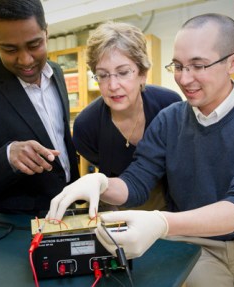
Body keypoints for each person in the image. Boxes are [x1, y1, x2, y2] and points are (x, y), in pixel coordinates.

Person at [48, 13, 234, 286]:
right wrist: (99, 183)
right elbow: (136, 182)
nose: (184, 78)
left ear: (233, 62)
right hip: (197, 247)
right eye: (178, 66)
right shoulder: (169, 119)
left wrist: (162, 223)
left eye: (198, 66)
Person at [0, 0, 79, 215]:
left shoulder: (56, 72)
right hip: (19, 223)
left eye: (34, 45)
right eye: (10, 49)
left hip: (68, 206)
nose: (26, 60)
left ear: (46, 33)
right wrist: (8, 156)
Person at [73, 21, 181, 210]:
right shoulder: (86, 126)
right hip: (121, 208)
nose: (113, 85)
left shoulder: (169, 105)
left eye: (123, 73)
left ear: (143, 73)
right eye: (103, 75)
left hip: (172, 206)